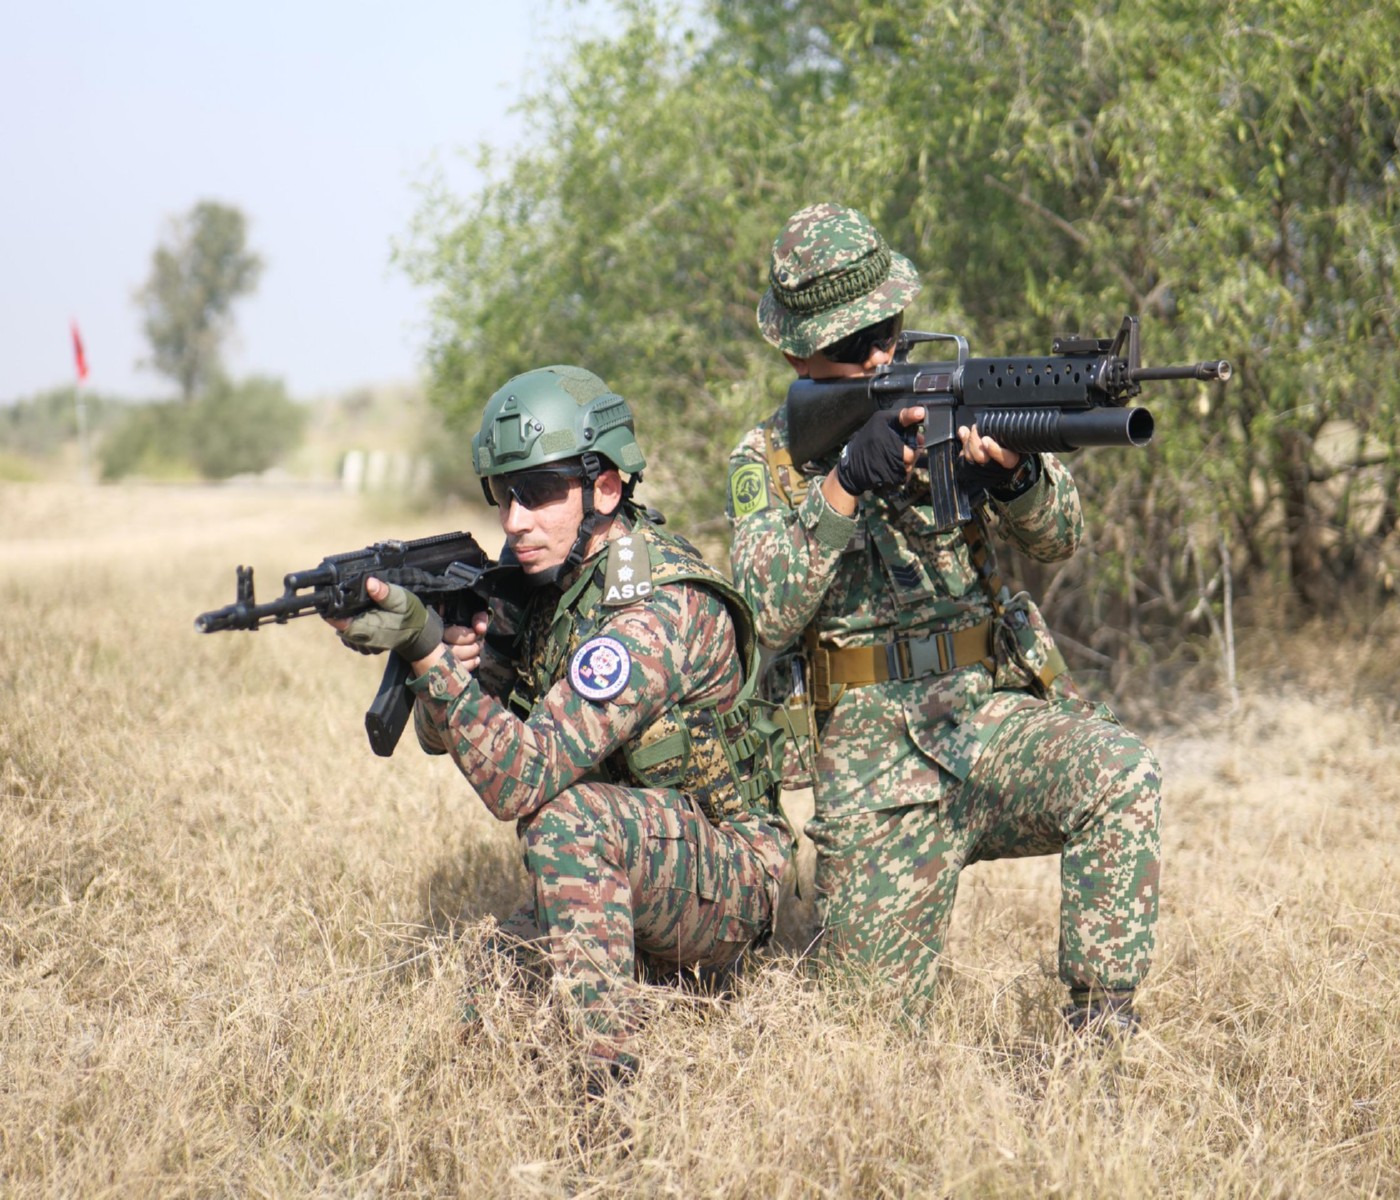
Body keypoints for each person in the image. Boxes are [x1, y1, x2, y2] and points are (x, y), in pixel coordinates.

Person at [725, 202, 1162, 1034]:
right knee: (870, 1038)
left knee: (1121, 772)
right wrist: (846, 484)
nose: (883, 352)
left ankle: (1100, 1030)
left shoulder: (949, 402)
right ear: (793, 351)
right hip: (869, 764)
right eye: (856, 346)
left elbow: (1062, 537)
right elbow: (763, 611)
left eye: (888, 327)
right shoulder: (769, 456)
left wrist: (1011, 478)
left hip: (983, 719)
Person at [333, 364, 791, 1078]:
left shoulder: (652, 609)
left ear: (605, 486)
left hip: (730, 879)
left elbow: (520, 780)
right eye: (503, 496)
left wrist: (424, 647)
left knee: (566, 820)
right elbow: (439, 738)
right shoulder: (555, 589)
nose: (515, 521)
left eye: (540, 494)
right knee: (487, 986)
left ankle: (606, 1093)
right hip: (643, 857)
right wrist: (459, 665)